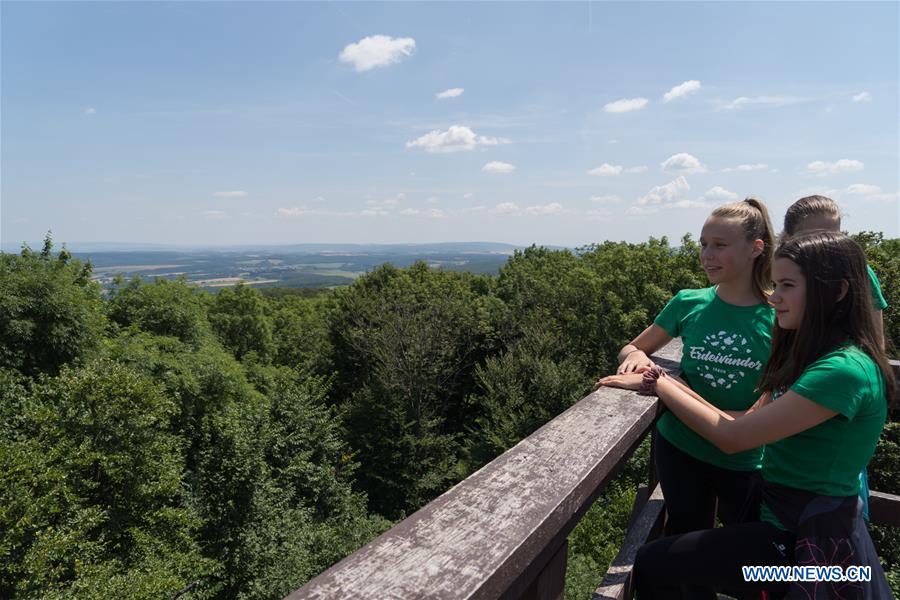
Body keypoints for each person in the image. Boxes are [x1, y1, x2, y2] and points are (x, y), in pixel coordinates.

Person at [599, 231, 894, 598]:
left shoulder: (842, 372)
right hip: (789, 525)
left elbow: (733, 438)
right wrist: (662, 381)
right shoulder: (814, 359)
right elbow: (739, 423)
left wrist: (658, 383)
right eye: (775, 284)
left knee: (656, 563)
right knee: (675, 565)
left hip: (805, 546)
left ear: (838, 291)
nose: (774, 297)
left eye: (788, 286)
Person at [600, 198, 776, 537]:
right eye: (704, 244)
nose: (707, 255)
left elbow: (760, 415)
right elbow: (632, 347)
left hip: (745, 458)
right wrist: (637, 358)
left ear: (755, 248)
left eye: (720, 245)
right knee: (682, 539)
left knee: (747, 546)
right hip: (681, 447)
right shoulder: (688, 302)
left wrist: (659, 382)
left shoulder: (779, 317)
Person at [783, 194, 890, 521]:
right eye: (813, 235)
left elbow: (874, 343)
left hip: (831, 398)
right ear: (789, 239)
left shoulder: (859, 273)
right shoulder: (784, 272)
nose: (825, 244)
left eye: (833, 234)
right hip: (791, 395)